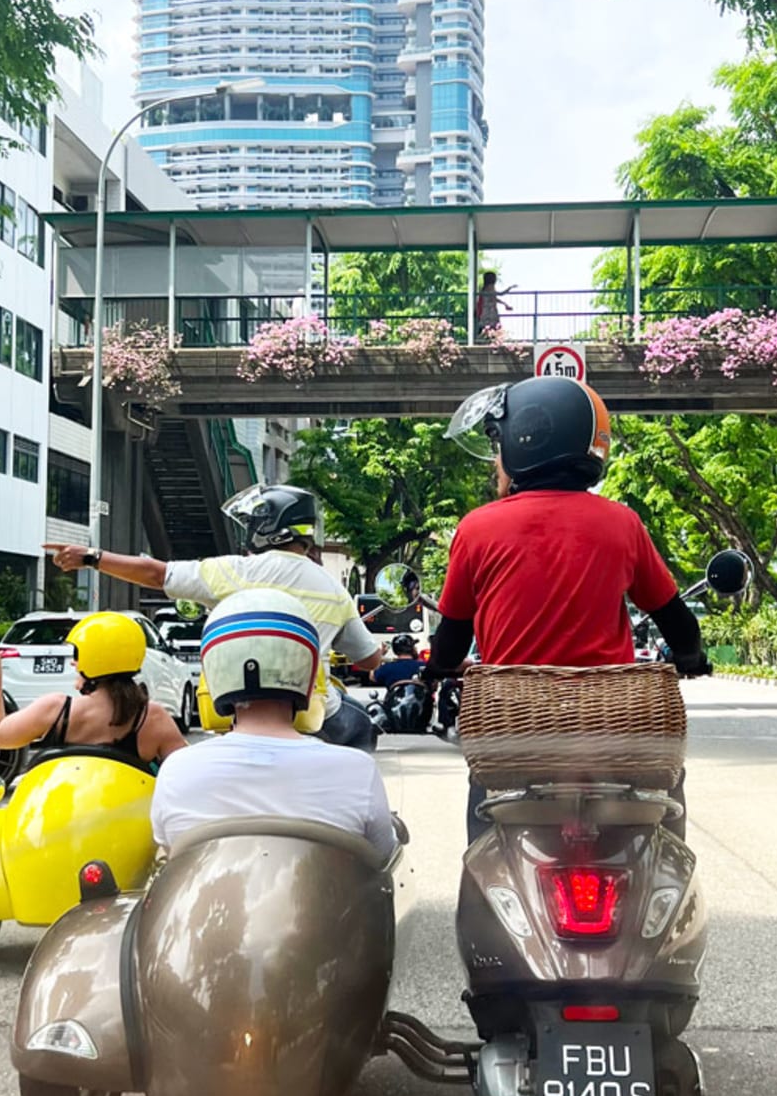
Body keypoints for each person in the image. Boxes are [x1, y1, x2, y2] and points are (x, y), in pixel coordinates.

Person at [422, 376, 708, 838]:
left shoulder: (477, 529)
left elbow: (453, 633)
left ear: (523, 441)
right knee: (663, 798)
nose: (496, 461)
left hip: (510, 730)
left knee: (486, 802)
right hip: (612, 727)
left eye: (499, 448)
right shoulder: (622, 523)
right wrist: (690, 658)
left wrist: (440, 667)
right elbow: (676, 620)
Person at [45, 483, 384, 751]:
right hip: (310, 713)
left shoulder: (235, 571)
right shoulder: (332, 588)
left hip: (232, 710)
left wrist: (93, 557)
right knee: (362, 734)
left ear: (268, 528)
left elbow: (155, 574)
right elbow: (368, 661)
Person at [150, 589, 398, 864]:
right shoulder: (356, 769)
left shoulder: (178, 768)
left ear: (215, 671)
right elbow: (383, 855)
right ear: (307, 670)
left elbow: (169, 850)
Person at [0, 612, 186, 774]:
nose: (73, 661)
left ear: (93, 659)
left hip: (59, 827)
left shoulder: (56, 709)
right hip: (127, 828)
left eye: (77, 654)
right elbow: (187, 771)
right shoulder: (152, 717)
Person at [476, 270, 513, 337]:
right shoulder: (490, 287)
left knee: (485, 327)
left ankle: (481, 338)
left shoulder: (484, 288)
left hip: (485, 310)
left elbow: (494, 297)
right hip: (490, 311)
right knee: (493, 326)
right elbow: (498, 295)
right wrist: (509, 289)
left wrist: (504, 304)